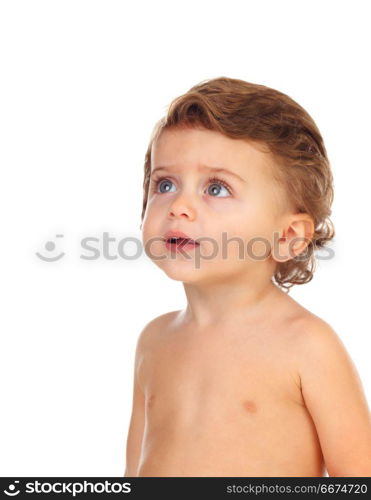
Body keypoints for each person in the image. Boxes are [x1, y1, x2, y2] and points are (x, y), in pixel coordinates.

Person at [124, 76, 371, 477]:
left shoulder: (306, 346)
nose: (179, 206)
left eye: (217, 188)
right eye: (165, 183)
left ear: (288, 236)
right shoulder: (154, 341)